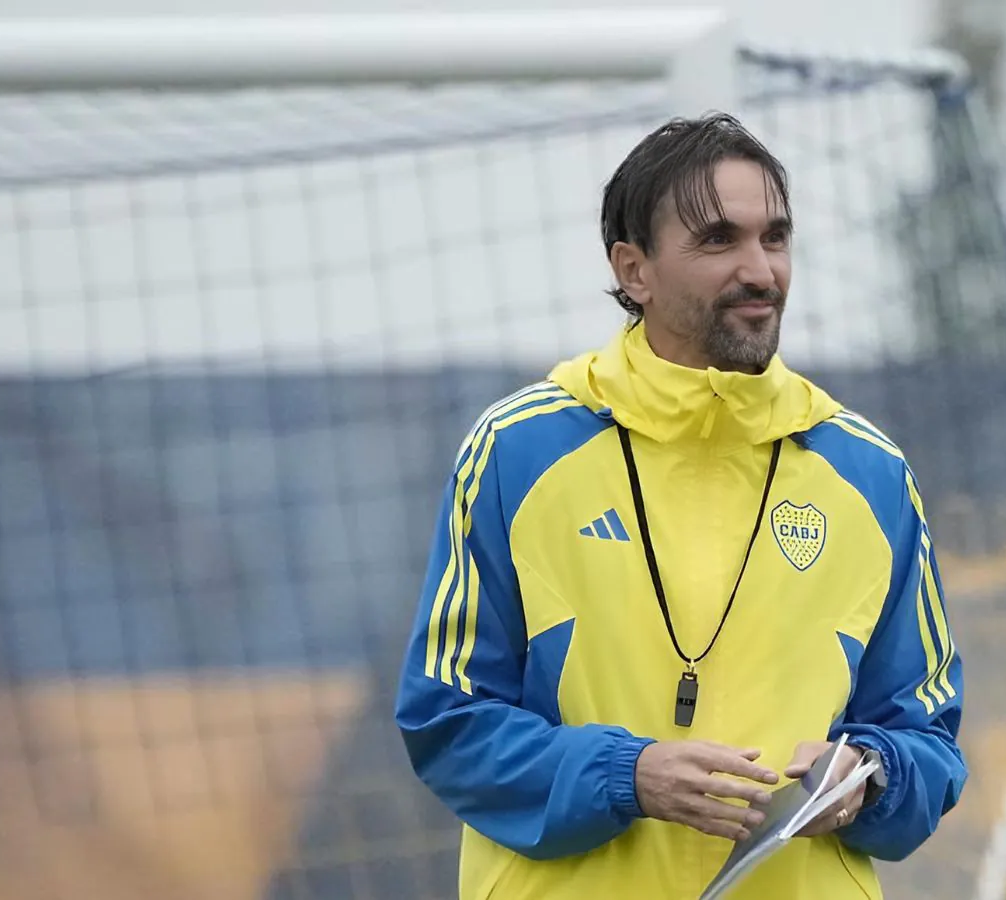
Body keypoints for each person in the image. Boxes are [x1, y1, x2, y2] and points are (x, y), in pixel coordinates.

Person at [395, 112, 966, 899]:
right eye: (718, 240)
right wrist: (626, 775)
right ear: (635, 271)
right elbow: (449, 722)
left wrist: (870, 775)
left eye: (775, 237)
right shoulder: (516, 453)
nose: (760, 270)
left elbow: (927, 735)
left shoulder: (869, 473)